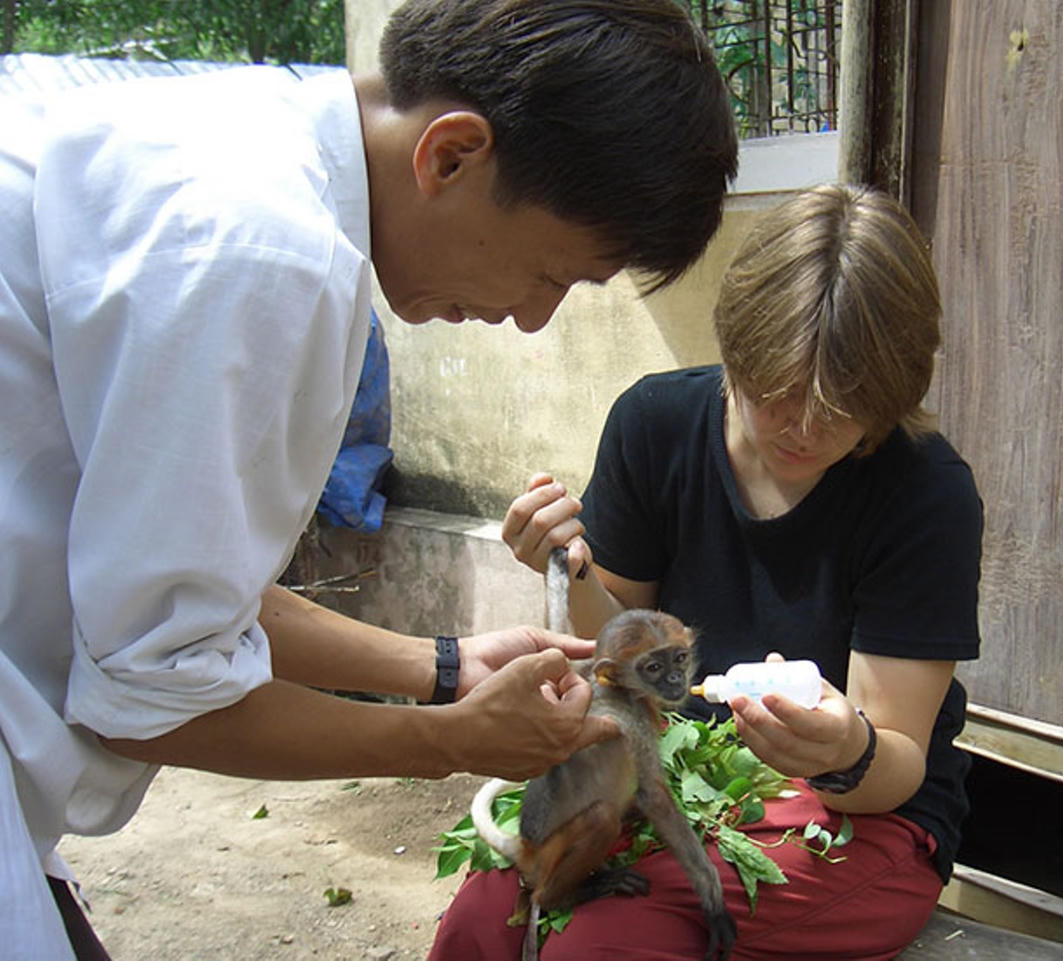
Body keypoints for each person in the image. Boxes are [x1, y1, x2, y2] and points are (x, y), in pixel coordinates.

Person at [0, 2, 738, 957]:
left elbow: (176, 584)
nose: (531, 319)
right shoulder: (267, 255)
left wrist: (439, 667)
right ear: (453, 156)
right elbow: (152, 696)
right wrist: (453, 738)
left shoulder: (247, 134)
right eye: (554, 273)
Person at [433, 183, 983, 961]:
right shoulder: (656, 425)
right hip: (678, 767)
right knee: (486, 911)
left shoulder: (924, 491)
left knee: (601, 942)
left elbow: (893, 762)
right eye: (779, 394)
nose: (804, 426)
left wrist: (841, 749)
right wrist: (573, 566)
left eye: (843, 408)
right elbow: (620, 656)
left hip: (856, 817)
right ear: (738, 348)